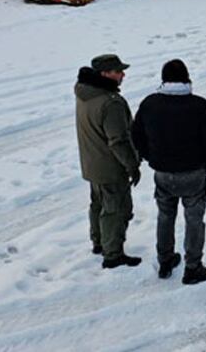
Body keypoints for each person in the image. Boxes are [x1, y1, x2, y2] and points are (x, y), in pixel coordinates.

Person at [132, 59, 206, 285]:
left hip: (162, 173)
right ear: (186, 77)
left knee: (165, 216)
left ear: (164, 79)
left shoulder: (149, 104)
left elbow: (136, 136)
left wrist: (150, 157)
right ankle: (193, 267)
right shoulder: (199, 106)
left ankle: (165, 260)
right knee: (194, 220)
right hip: (193, 174)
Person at [75, 54, 142, 269]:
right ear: (105, 74)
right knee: (117, 209)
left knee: (98, 203)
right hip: (110, 167)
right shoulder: (110, 103)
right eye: (118, 71)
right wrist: (132, 165)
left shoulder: (85, 94)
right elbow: (118, 141)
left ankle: (99, 242)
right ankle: (113, 254)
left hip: (91, 162)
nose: (123, 74)